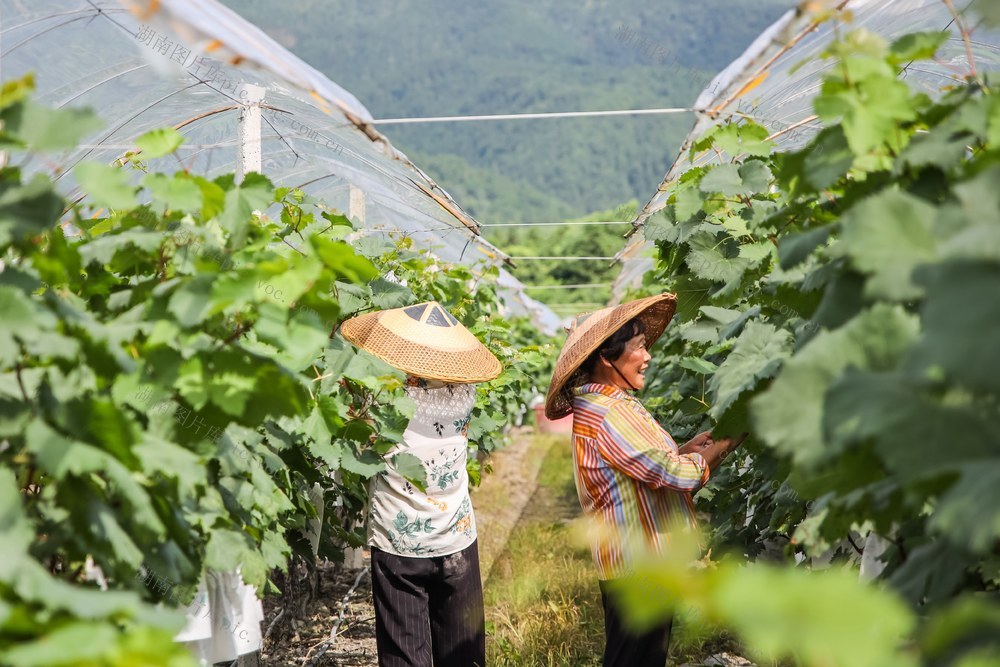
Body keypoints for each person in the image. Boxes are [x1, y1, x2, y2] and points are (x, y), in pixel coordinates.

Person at [544, 293, 745, 667]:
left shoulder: (607, 404)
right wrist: (727, 441)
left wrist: (688, 448)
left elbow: (644, 465)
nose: (648, 355)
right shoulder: (609, 413)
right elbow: (676, 475)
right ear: (607, 357)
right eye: (638, 346)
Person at [340, 301, 502, 667]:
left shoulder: (377, 398)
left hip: (398, 541)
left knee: (404, 655)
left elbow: (350, 411)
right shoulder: (464, 394)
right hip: (456, 537)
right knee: (463, 654)